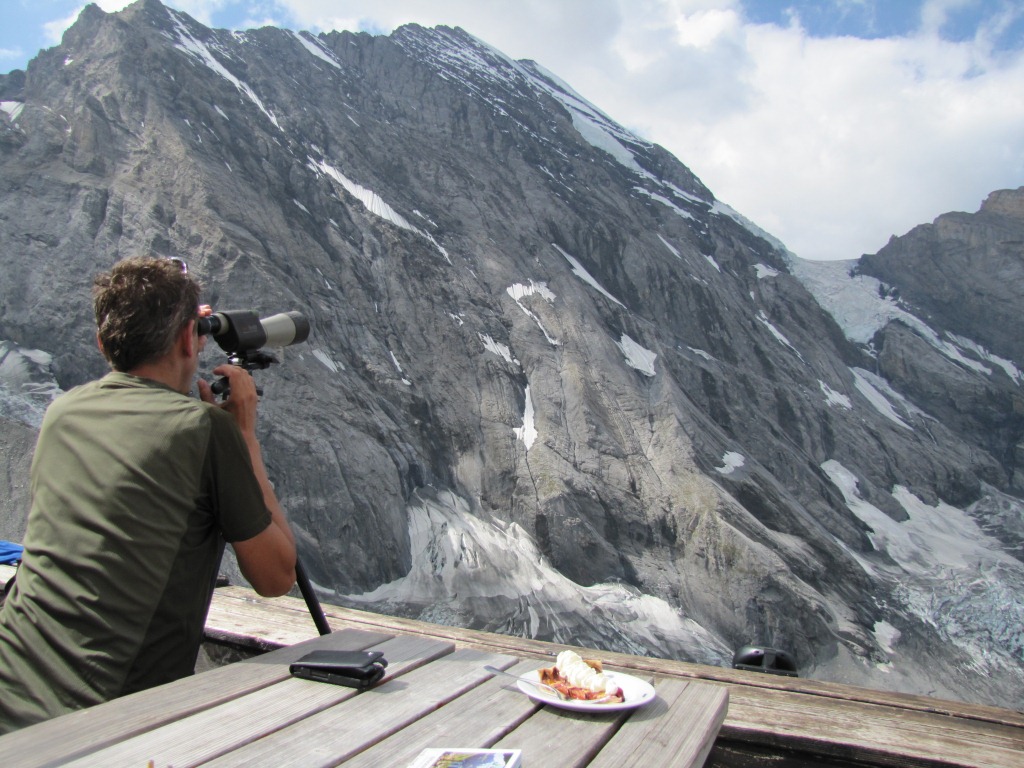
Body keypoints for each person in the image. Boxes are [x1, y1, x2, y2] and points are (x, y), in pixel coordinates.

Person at [0, 256, 296, 733]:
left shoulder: (63, 411)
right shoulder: (205, 429)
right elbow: (276, 576)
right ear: (188, 339)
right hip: (102, 727)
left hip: (10, 695)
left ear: (103, 344)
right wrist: (244, 437)